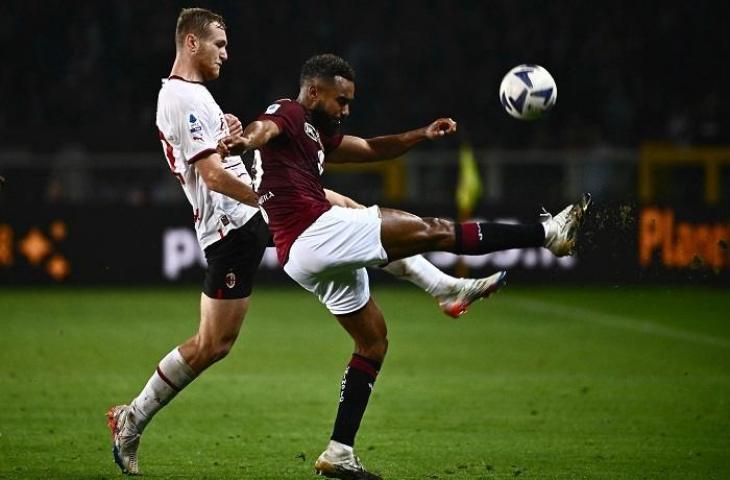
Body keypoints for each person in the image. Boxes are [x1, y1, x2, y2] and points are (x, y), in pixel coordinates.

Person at [106, 9, 508, 477]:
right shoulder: (177, 96)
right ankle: (131, 418)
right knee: (213, 344)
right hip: (230, 227)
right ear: (191, 43)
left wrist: (236, 139)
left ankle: (443, 288)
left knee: (354, 217)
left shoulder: (197, 97)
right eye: (218, 43)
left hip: (252, 215)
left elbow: (224, 153)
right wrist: (269, 196)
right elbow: (212, 176)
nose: (226, 52)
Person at [234, 53, 590, 479]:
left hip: (301, 254)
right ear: (313, 91)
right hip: (315, 230)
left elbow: (369, 149)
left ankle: (339, 451)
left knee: (373, 343)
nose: (346, 110)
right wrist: (243, 141)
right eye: (340, 101)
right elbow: (263, 128)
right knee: (433, 229)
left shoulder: (314, 134)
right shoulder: (289, 113)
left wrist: (420, 133)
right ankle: (546, 234)